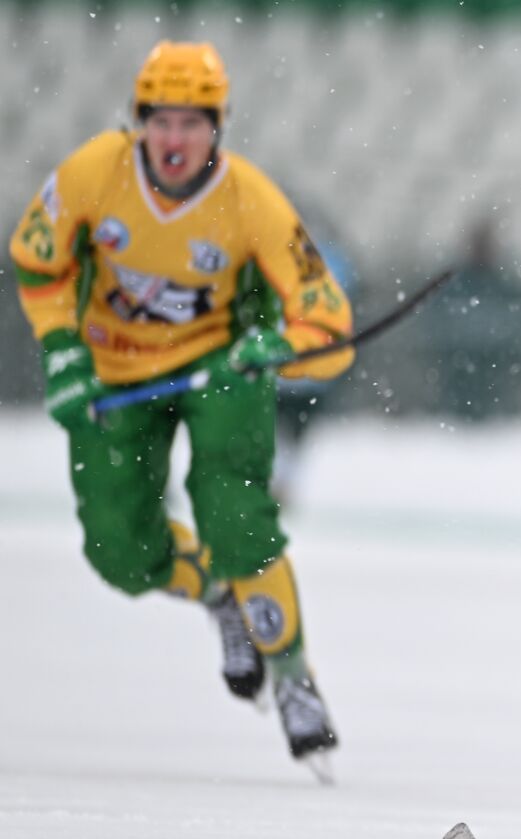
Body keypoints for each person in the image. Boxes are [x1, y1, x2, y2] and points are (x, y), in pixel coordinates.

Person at [10, 41, 354, 775]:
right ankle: (217, 595)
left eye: (190, 124)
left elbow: (329, 327)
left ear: (217, 127)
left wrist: (279, 345)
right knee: (120, 550)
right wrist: (64, 355)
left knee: (236, 517)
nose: (173, 140)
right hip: (113, 380)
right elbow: (37, 263)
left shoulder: (253, 200)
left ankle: (294, 680)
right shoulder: (91, 174)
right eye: (160, 122)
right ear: (139, 122)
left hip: (217, 374)